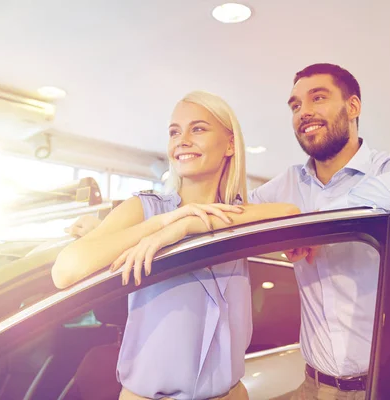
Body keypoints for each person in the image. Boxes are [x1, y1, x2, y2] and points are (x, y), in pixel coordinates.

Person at [51, 90, 300, 400]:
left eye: (198, 128)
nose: (182, 140)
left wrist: (187, 226)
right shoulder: (145, 208)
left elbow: (289, 213)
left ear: (230, 144)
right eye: (174, 132)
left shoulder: (239, 217)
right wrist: (164, 223)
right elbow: (66, 271)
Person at [248, 63, 390, 399]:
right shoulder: (285, 186)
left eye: (318, 98)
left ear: (353, 106)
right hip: (314, 387)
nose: (304, 112)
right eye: (296, 105)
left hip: (388, 388)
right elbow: (233, 213)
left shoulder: (388, 167)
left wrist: (314, 225)